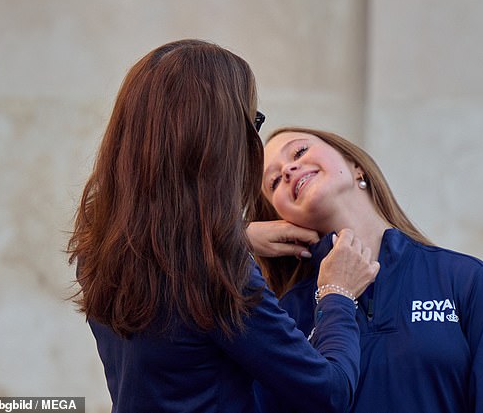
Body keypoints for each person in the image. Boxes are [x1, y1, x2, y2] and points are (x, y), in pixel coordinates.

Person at [66, 40, 380, 413]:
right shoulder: (215, 271)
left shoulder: (99, 246)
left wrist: (239, 236)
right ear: (217, 140)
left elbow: (168, 254)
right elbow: (328, 393)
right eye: (252, 122)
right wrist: (337, 293)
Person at [249, 127, 483, 413]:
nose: (288, 170)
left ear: (356, 166)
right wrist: (239, 237)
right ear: (281, 218)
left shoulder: (465, 280)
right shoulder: (284, 317)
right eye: (273, 182)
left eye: (299, 152)